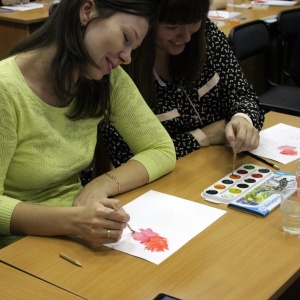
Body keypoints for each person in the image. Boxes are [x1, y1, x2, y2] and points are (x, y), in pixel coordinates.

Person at [0, 0, 176, 249]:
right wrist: (73, 221)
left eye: (133, 48)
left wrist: (99, 185)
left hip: (77, 234)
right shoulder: (6, 89)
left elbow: (161, 149)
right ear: (87, 11)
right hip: (20, 247)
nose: (127, 58)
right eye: (126, 38)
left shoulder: (106, 78)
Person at [99, 0, 265, 168]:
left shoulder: (207, 34)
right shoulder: (121, 66)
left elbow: (243, 94)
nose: (186, 37)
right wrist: (202, 137)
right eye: (172, 27)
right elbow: (126, 158)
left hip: (222, 163)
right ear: (147, 21)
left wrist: (243, 119)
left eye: (193, 22)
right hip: (169, 180)